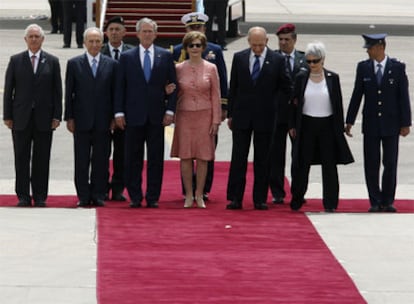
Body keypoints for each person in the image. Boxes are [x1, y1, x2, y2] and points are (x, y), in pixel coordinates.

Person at [114, 18, 177, 208]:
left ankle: (152, 196)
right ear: (138, 34)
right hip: (133, 115)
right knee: (133, 158)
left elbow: (173, 86)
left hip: (157, 116)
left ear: (156, 34)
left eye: (151, 31)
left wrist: (169, 110)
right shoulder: (127, 57)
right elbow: (120, 87)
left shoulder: (165, 56)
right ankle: (134, 195)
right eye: (144, 31)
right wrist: (118, 112)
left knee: (156, 158)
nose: (148, 35)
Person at [226, 26, 291, 210]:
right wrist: (230, 113)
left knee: (263, 160)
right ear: (248, 42)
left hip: (266, 117)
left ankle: (259, 198)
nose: (257, 49)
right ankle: (235, 197)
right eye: (254, 45)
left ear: (267, 42)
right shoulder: (239, 58)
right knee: (238, 158)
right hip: (242, 116)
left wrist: (285, 108)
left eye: (260, 45)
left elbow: (286, 86)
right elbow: (234, 88)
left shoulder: (277, 60)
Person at [345, 33, 411, 213]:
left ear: (381, 47)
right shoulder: (364, 68)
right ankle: (374, 199)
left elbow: (403, 96)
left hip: (391, 123)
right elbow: (357, 94)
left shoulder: (397, 67)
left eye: (371, 47)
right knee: (371, 162)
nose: (368, 51)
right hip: (372, 123)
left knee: (390, 162)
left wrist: (406, 123)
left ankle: (387, 200)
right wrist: (349, 120)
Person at [288, 41, 354, 212]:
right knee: (302, 165)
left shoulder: (333, 78)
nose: (312, 65)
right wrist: (292, 125)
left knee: (329, 166)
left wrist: (341, 128)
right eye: (308, 61)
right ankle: (297, 199)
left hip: (327, 126)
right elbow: (293, 104)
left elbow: (337, 105)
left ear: (323, 60)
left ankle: (331, 203)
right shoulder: (301, 78)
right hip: (307, 125)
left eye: (315, 61)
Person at [3, 24, 62, 207]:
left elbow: (57, 91)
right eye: (31, 36)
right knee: (21, 157)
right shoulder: (16, 60)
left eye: (37, 36)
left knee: (41, 158)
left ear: (43, 39)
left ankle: (40, 196)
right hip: (21, 118)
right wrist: (7, 115)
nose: (34, 39)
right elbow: (8, 91)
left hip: (44, 119)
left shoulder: (52, 61)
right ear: (25, 39)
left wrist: (57, 116)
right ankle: (23, 195)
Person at [171, 12, 228, 201]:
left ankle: (203, 190)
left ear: (204, 28)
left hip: (207, 112)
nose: (195, 31)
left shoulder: (214, 51)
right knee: (186, 154)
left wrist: (223, 108)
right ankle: (187, 191)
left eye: (199, 27)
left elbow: (222, 83)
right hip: (185, 112)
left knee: (206, 153)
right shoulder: (177, 51)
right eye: (191, 28)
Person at [64, 27, 117, 207]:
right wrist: (69, 117)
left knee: (101, 160)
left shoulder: (111, 64)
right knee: (82, 160)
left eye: (97, 41)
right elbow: (69, 92)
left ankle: (99, 194)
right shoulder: (74, 63)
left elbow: (114, 93)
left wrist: (114, 117)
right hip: (81, 121)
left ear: (102, 43)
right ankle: (83, 195)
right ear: (85, 43)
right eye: (91, 41)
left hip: (104, 121)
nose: (94, 44)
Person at [269, 23, 307, 205]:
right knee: (275, 154)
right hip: (276, 113)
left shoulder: (305, 59)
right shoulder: (272, 58)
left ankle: (298, 191)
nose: (283, 43)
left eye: (287, 39)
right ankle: (277, 192)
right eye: (280, 40)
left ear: (294, 40)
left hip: (297, 115)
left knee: (299, 155)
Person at [101, 16, 134, 202]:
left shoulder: (132, 52)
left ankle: (118, 188)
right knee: (102, 153)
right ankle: (102, 187)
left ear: (124, 32)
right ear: (106, 33)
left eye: (117, 29)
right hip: (103, 113)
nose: (114, 32)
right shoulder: (99, 51)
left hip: (125, 113)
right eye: (111, 29)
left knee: (122, 153)